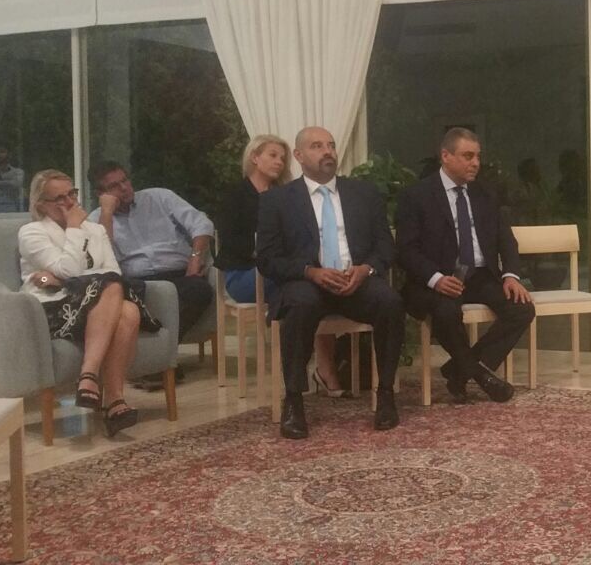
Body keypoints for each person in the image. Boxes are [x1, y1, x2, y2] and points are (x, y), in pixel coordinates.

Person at [256, 126, 404, 438]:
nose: (327, 151)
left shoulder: (363, 194)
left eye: (331, 145)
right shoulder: (277, 200)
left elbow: (385, 246)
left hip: (356, 280)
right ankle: (294, 400)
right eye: (317, 146)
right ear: (299, 156)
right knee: (300, 303)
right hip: (308, 281)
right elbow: (267, 259)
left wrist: (366, 269)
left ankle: (386, 394)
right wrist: (310, 271)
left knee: (390, 302)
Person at [396, 127, 534, 404]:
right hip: (433, 280)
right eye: (468, 156)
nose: (476, 163)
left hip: (479, 275)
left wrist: (510, 276)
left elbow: (506, 240)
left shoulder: (485, 194)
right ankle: (479, 375)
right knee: (446, 311)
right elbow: (405, 250)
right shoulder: (417, 196)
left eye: (478, 156)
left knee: (521, 308)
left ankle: (459, 370)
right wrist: (436, 278)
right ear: (445, 156)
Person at [18, 170, 162, 437]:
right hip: (54, 309)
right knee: (116, 294)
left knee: (126, 305)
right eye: (60, 198)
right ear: (42, 205)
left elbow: (112, 271)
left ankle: (103, 391)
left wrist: (61, 279)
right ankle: (99, 386)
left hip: (98, 304)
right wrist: (73, 230)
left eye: (71, 194)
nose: (70, 202)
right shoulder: (32, 233)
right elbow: (70, 269)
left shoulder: (95, 230)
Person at [215, 135, 349, 397]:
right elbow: (231, 243)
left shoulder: (288, 195)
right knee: (311, 283)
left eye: (283, 158)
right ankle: (314, 370)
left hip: (284, 271)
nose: (279, 162)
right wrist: (270, 250)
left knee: (314, 283)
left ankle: (318, 368)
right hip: (244, 274)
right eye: (273, 155)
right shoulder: (235, 195)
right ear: (255, 157)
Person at [88, 162, 215, 388]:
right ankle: (161, 364)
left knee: (200, 290)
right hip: (139, 282)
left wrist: (195, 258)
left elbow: (202, 223)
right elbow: (100, 258)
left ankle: (155, 362)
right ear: (101, 193)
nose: (124, 188)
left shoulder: (160, 197)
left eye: (125, 180)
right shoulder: (96, 220)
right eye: (115, 186)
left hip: (179, 275)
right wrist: (107, 213)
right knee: (125, 299)